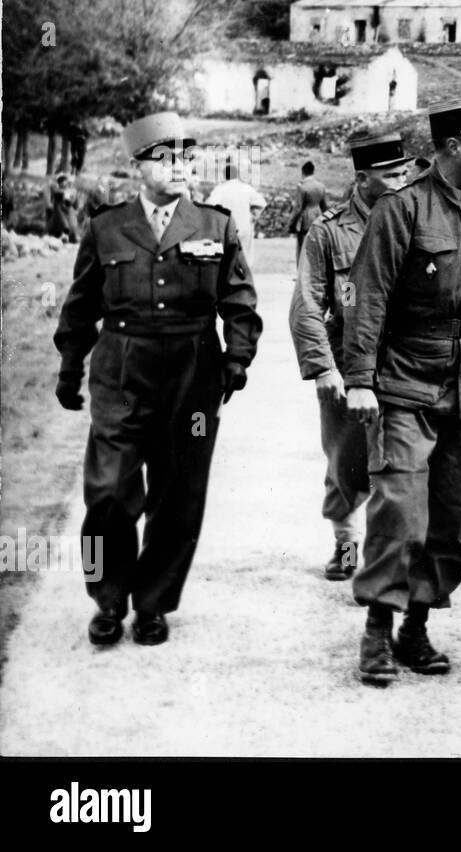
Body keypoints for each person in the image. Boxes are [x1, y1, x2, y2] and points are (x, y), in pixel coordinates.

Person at [342, 96, 461, 684]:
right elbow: (366, 297)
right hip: (407, 380)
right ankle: (377, 628)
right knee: (400, 510)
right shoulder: (400, 210)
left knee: (452, 520)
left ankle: (417, 625)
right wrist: (358, 378)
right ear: (452, 146)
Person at [53, 112, 261, 648]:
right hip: (122, 368)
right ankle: (107, 598)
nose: (179, 167)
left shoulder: (215, 225)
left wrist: (237, 358)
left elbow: (239, 301)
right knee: (108, 494)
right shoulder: (106, 226)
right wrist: (70, 369)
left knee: (179, 495)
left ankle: (152, 604)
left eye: (186, 157)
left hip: (193, 375)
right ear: (138, 166)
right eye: (165, 158)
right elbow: (79, 308)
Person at [289, 131, 412, 581]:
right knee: (347, 461)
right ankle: (345, 543)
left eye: (404, 172)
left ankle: (392, 553)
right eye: (391, 174)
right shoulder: (327, 233)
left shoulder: (415, 219)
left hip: (406, 362)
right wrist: (322, 366)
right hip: (346, 363)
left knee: (402, 463)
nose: (402, 180)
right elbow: (306, 303)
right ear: (362, 179)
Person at [207, 158, 267, 259]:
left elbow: (210, 205)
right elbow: (261, 203)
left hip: (226, 228)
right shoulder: (246, 188)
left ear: (224, 175)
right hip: (244, 226)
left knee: (227, 256)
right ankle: (245, 273)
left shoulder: (220, 189)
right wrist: (253, 216)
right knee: (245, 255)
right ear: (237, 175)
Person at [290, 160, 328, 264]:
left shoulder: (302, 187)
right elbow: (325, 206)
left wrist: (292, 224)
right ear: (313, 172)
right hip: (319, 217)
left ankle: (302, 275)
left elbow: (298, 208)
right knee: (317, 247)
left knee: (302, 248)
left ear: (303, 172)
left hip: (305, 219)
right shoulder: (321, 186)